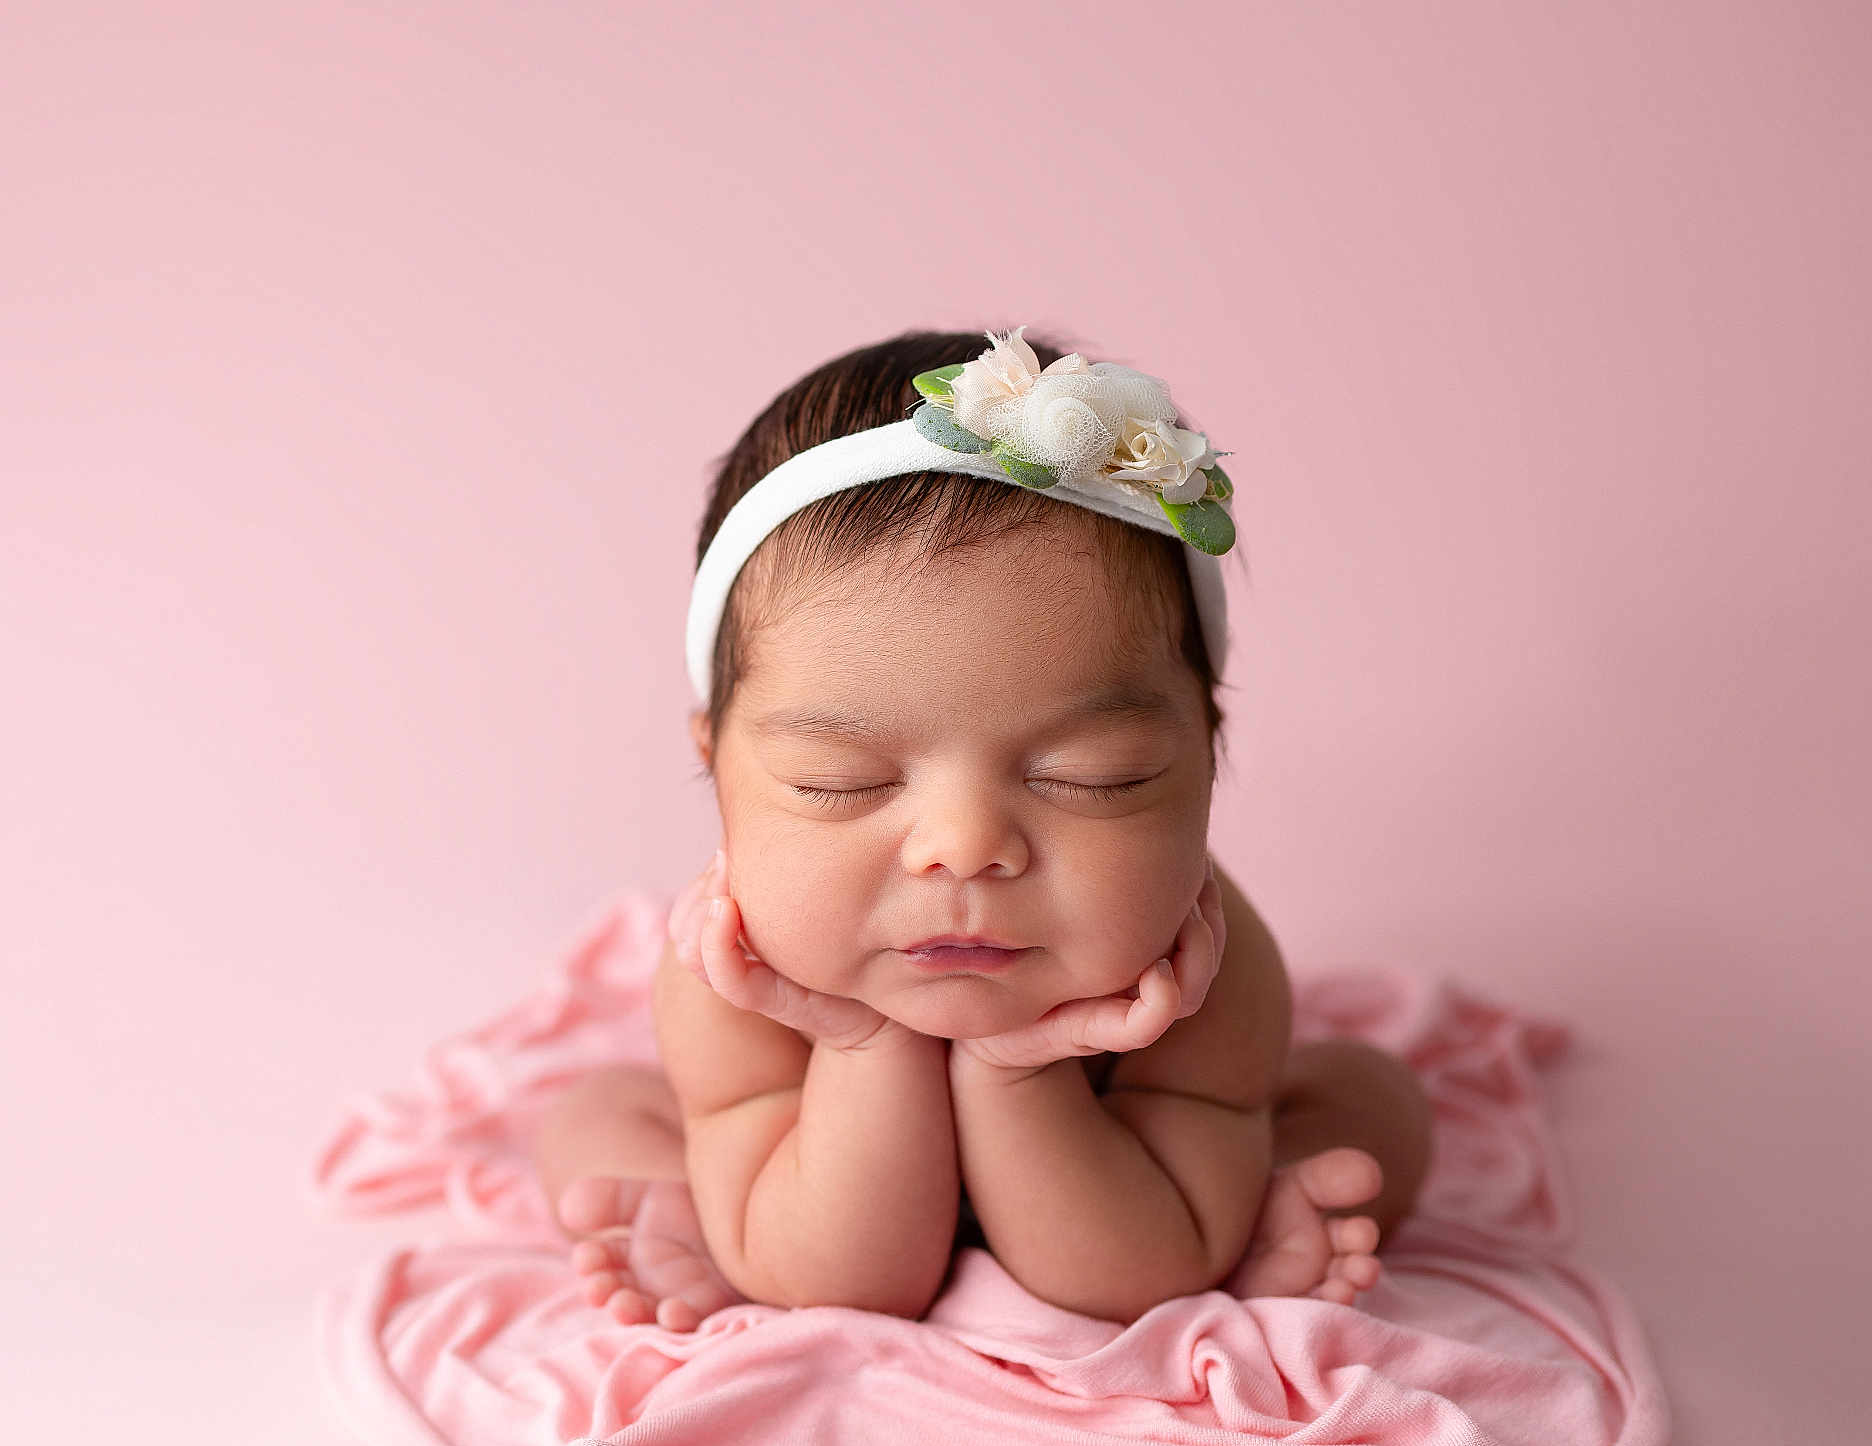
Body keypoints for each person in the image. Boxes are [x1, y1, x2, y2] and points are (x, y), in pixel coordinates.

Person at [530, 325, 1433, 1333]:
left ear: (1206, 751)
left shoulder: (1201, 974)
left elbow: (1140, 1275)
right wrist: (863, 1045)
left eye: (1093, 777)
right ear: (718, 763)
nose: (962, 847)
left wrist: (1021, 1068)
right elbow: (843, 1285)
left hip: (1119, 1171)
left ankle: (1257, 1201)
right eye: (842, 782)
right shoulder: (732, 976)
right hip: (807, 1173)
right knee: (596, 1117)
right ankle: (702, 1210)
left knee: (1368, 1098)